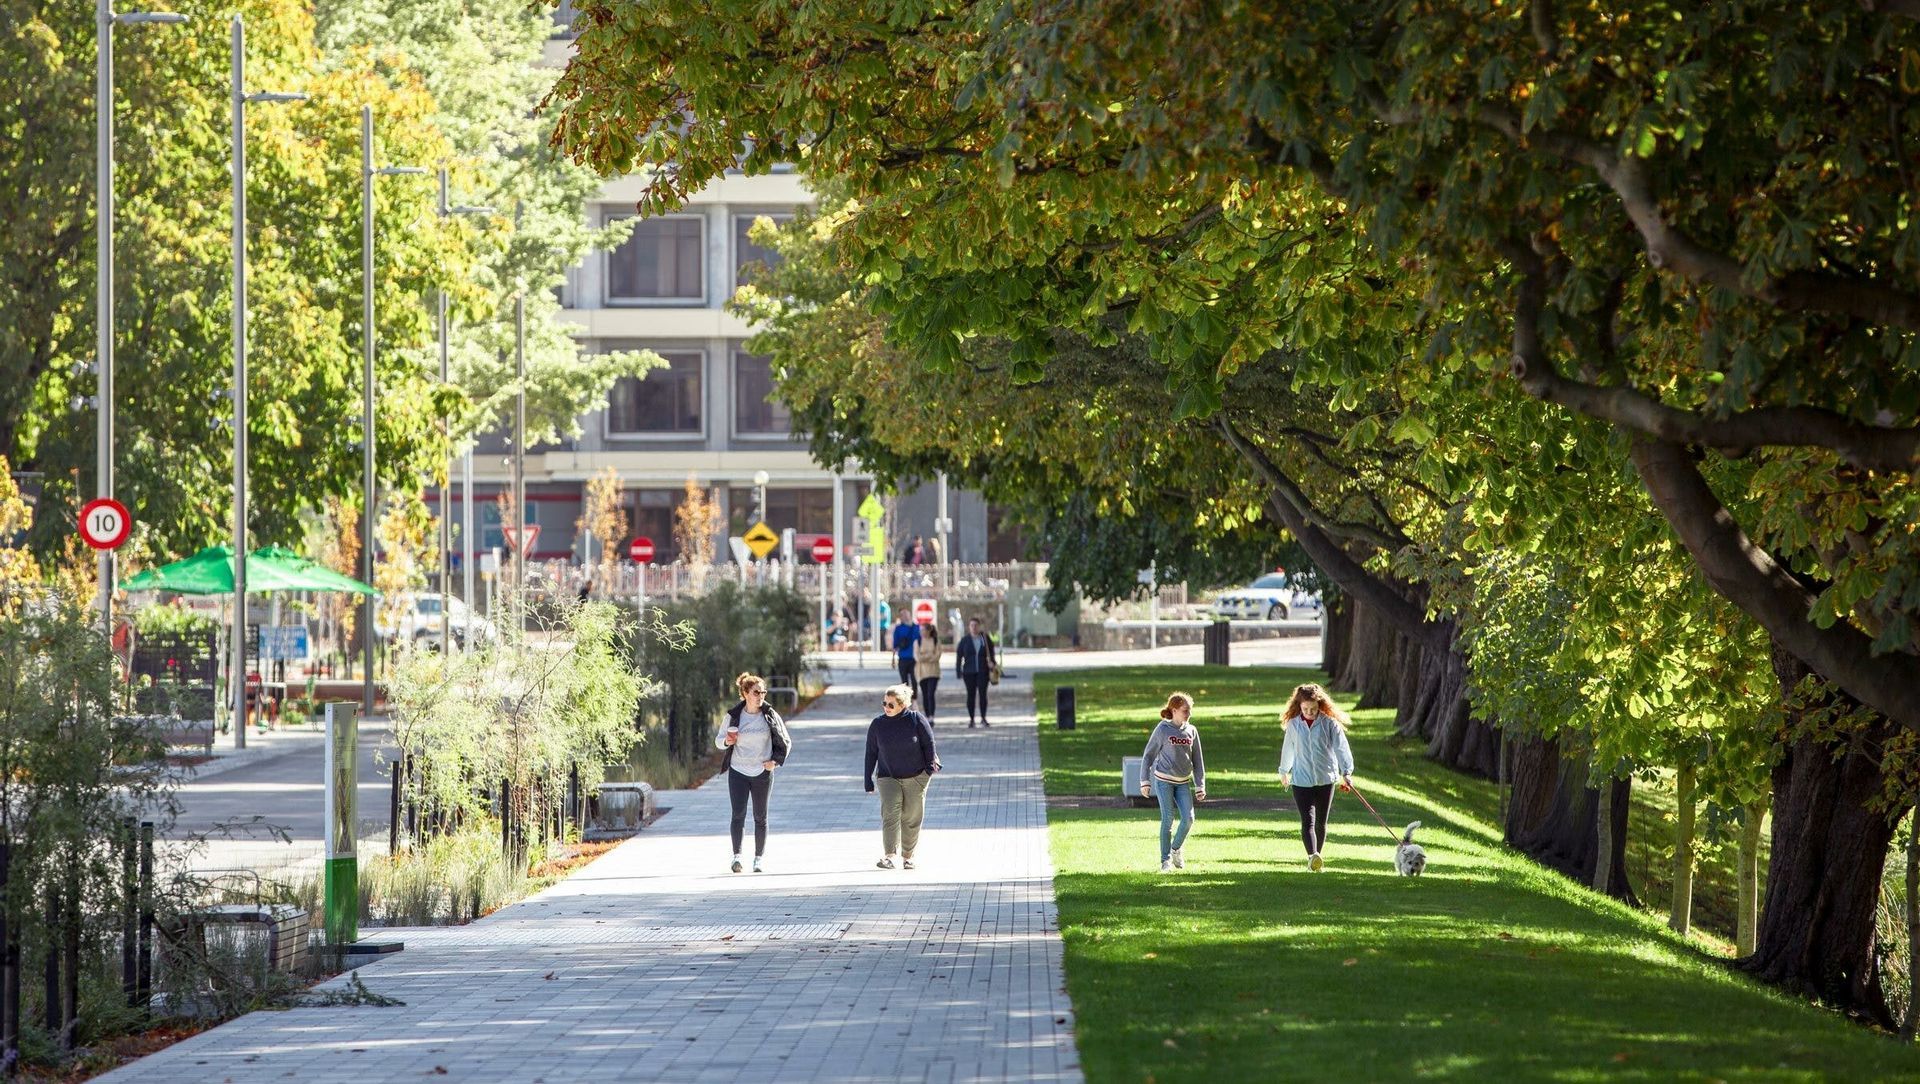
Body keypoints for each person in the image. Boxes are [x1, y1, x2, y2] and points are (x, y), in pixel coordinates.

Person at [716, 672, 793, 873]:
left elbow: (786, 740)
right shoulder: (733, 716)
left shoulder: (770, 715)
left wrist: (775, 762)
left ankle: (758, 859)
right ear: (745, 693)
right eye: (756, 692)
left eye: (763, 692)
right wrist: (727, 742)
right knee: (738, 815)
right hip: (738, 771)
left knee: (761, 817)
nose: (761, 696)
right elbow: (718, 740)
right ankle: (737, 857)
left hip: (762, 772)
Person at [1277, 682, 1354, 872]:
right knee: (1307, 820)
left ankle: (1316, 857)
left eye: (1313, 709)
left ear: (1320, 705)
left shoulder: (1329, 724)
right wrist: (1284, 771)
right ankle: (1313, 857)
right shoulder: (1294, 725)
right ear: (1299, 706)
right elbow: (1288, 750)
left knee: (1321, 821)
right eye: (1305, 709)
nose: (1310, 712)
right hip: (1301, 781)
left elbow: (1341, 749)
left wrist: (1346, 772)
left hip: (1325, 779)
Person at [864, 683, 940, 869]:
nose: (886, 708)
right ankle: (889, 856)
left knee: (911, 816)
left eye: (891, 705)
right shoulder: (878, 724)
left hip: (915, 775)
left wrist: (928, 770)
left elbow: (929, 744)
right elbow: (871, 753)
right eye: (884, 703)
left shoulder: (915, 720)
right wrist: (868, 780)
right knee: (890, 812)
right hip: (887, 776)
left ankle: (908, 856)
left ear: (902, 705)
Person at [1138, 692, 1206, 871]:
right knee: (1167, 819)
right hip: (1163, 780)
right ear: (1174, 710)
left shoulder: (1192, 730)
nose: (1188, 714)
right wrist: (1144, 781)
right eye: (1185, 711)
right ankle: (1165, 860)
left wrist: (1200, 785)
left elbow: (1198, 760)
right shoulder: (1163, 729)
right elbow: (1148, 756)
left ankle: (1176, 849)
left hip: (1183, 781)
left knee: (1189, 819)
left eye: (1189, 711)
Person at [954, 616, 997, 728]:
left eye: (976, 625)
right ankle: (971, 719)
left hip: (983, 671)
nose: (974, 627)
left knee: (983, 695)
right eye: (972, 625)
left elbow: (992, 653)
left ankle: (983, 718)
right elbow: (959, 656)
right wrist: (958, 671)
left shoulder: (985, 638)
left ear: (979, 626)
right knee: (971, 696)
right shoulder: (965, 640)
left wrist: (992, 663)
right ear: (969, 627)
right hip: (969, 672)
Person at [914, 621, 943, 722]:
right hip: (922, 672)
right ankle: (927, 715)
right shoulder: (917, 641)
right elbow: (918, 657)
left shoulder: (936, 641)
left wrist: (925, 656)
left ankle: (932, 716)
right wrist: (930, 654)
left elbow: (937, 656)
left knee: (931, 693)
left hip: (934, 672)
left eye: (923, 630)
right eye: (920, 630)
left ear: (929, 630)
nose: (921, 632)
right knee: (925, 694)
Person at [891, 612, 920, 686]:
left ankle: (914, 697)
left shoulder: (917, 627)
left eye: (906, 614)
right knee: (904, 681)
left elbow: (921, 642)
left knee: (914, 680)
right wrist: (893, 659)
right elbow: (895, 645)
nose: (905, 617)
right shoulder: (898, 628)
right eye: (902, 615)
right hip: (902, 658)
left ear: (910, 615)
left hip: (914, 658)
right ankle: (906, 697)